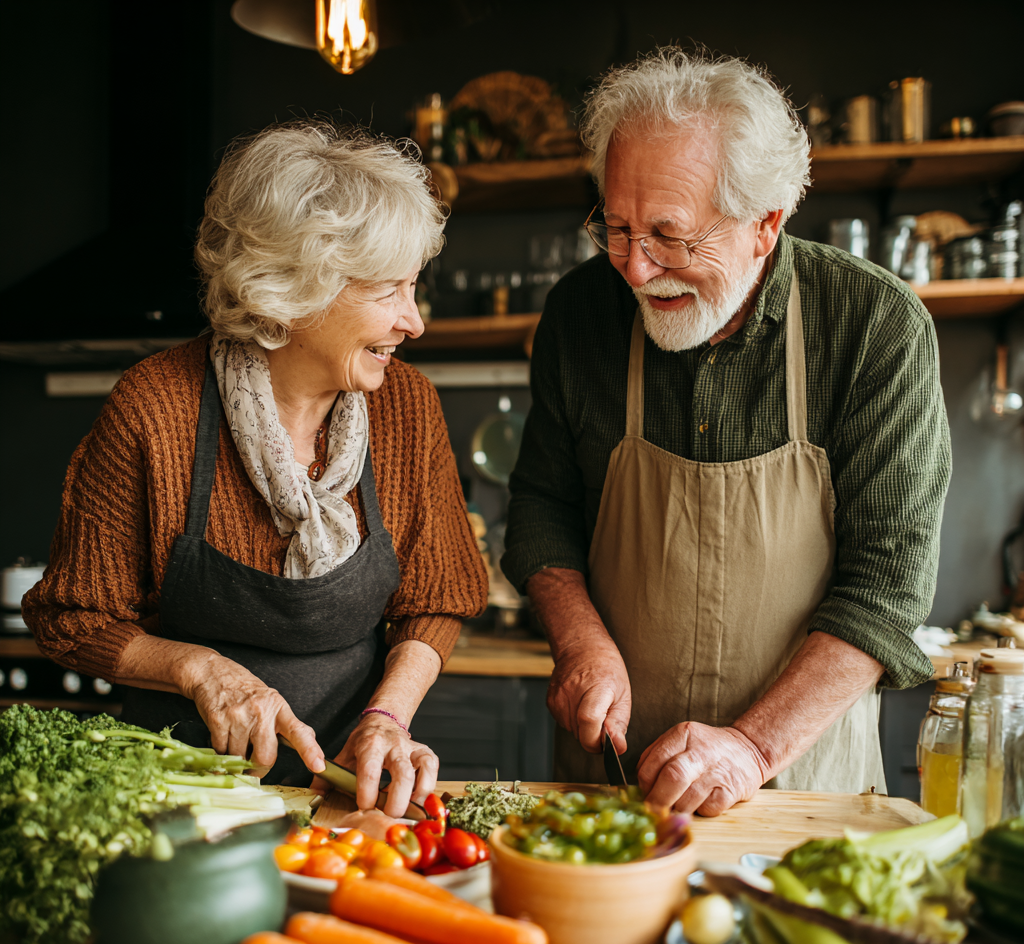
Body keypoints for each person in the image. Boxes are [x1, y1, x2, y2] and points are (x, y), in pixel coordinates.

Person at [502, 49, 951, 815]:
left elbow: (887, 588)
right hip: (612, 776)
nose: (636, 271)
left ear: (765, 225)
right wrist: (578, 638)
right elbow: (544, 508)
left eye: (671, 237)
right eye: (615, 227)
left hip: (801, 781)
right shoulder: (581, 315)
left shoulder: (873, 325)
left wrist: (751, 747)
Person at [24, 121, 488, 816]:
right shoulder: (155, 409)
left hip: (344, 792)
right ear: (297, 291)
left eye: (412, 287)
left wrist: (387, 719)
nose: (413, 322)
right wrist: (199, 668)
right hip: (174, 801)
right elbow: (72, 615)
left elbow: (436, 600)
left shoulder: (408, 409)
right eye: (389, 291)